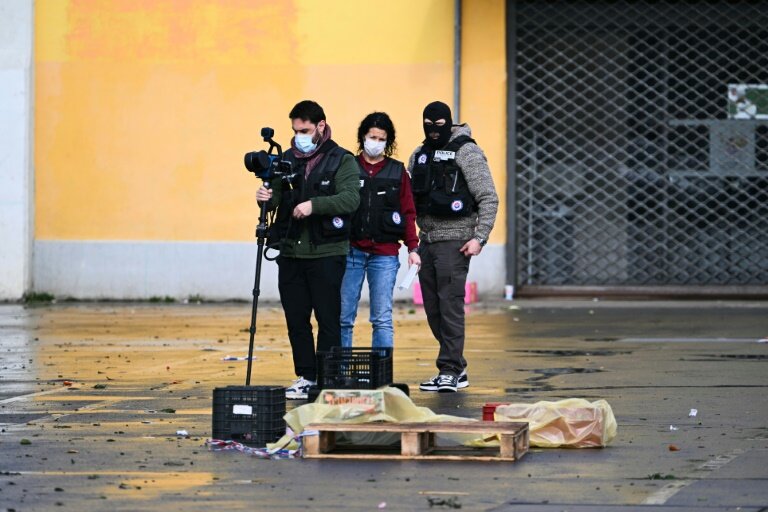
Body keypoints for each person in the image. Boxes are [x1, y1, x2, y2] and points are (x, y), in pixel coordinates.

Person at [256, 100, 360, 399]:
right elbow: (274, 200)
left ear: (321, 126)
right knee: (296, 319)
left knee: (328, 318)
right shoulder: (285, 159)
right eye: (295, 130)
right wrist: (265, 195)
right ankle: (305, 376)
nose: (298, 135)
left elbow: (350, 198)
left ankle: (327, 379)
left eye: (304, 129)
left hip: (327, 251)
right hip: (290, 251)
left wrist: (315, 205)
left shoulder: (342, 160)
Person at [408, 101, 499, 393]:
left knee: (450, 307)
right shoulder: (419, 154)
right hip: (427, 241)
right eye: (427, 123)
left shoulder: (466, 151)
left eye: (439, 124)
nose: (433, 130)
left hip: (456, 241)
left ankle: (450, 369)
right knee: (433, 309)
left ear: (448, 122)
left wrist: (480, 238)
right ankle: (455, 366)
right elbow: (410, 200)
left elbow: (488, 196)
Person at [340, 112, 420, 349]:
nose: (375, 142)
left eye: (380, 138)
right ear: (362, 137)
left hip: (384, 254)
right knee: (343, 317)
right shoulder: (348, 166)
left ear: (388, 141)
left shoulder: (397, 171)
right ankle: (340, 372)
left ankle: (381, 374)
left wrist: (413, 248)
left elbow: (408, 212)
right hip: (350, 251)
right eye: (371, 136)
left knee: (382, 319)